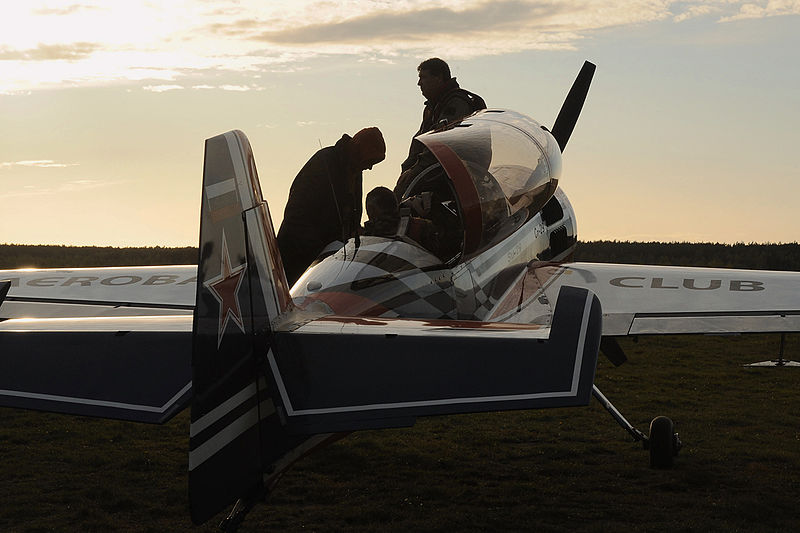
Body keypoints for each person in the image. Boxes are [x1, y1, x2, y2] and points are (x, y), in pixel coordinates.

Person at [277, 127, 386, 286]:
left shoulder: (355, 169)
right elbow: (296, 216)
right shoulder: (324, 163)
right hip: (298, 262)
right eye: (370, 161)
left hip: (328, 264)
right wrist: (326, 246)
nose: (370, 167)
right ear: (358, 150)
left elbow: (351, 219)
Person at [396, 58, 486, 197]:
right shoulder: (433, 108)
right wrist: (407, 171)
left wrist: (413, 173)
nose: (419, 83)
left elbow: (442, 144)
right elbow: (420, 143)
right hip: (433, 174)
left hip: (450, 179)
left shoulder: (457, 104)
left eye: (423, 77)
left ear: (439, 78)